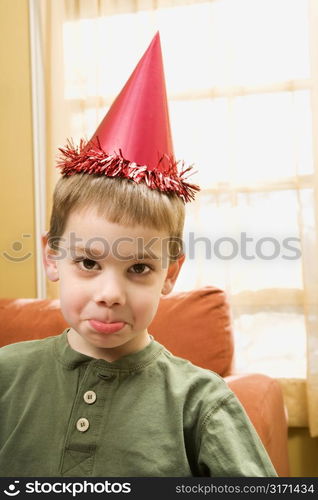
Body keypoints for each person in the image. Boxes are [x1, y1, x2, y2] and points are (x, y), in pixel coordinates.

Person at [0, 33, 277, 477]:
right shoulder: (7, 375)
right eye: (89, 263)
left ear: (170, 273)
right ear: (52, 256)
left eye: (139, 268)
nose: (110, 293)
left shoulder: (202, 403)